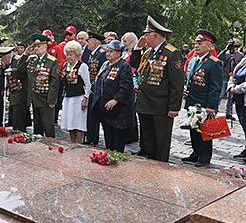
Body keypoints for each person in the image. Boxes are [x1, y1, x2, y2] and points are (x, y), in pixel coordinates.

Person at [130, 16, 184, 162]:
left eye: (146, 35)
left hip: (160, 105)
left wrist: (174, 107)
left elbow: (177, 83)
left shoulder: (172, 53)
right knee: (147, 138)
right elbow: (134, 63)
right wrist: (138, 47)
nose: (144, 38)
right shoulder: (149, 52)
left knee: (161, 141)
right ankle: (150, 163)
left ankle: (161, 168)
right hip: (145, 103)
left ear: (155, 35)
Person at [182, 30, 223, 166]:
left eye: (200, 44)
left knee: (204, 131)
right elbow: (189, 78)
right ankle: (196, 153)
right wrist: (185, 89)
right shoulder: (193, 60)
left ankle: (204, 157)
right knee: (193, 129)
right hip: (192, 101)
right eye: (195, 44)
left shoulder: (214, 63)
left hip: (204, 103)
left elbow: (215, 86)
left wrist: (212, 106)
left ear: (209, 46)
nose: (196, 46)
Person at [90, 40, 135, 152]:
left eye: (111, 52)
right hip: (105, 109)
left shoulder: (124, 66)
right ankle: (109, 156)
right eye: (107, 51)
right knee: (108, 138)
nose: (108, 54)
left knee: (117, 140)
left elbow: (126, 87)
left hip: (118, 111)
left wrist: (115, 100)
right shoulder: (105, 64)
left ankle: (117, 159)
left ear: (119, 53)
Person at [26, 36, 60, 137]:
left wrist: (52, 100)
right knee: (37, 125)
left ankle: (50, 146)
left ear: (45, 47)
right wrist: (25, 54)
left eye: (39, 46)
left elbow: (55, 82)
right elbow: (22, 69)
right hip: (34, 97)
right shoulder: (32, 59)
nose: (36, 48)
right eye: (35, 46)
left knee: (48, 126)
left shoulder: (52, 61)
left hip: (45, 98)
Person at [59, 39, 91, 144]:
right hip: (68, 97)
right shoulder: (65, 66)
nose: (69, 57)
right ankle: (72, 142)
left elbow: (87, 84)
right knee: (70, 122)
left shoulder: (82, 66)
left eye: (71, 55)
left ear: (77, 55)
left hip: (79, 97)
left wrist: (86, 98)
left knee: (78, 122)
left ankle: (79, 143)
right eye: (67, 55)